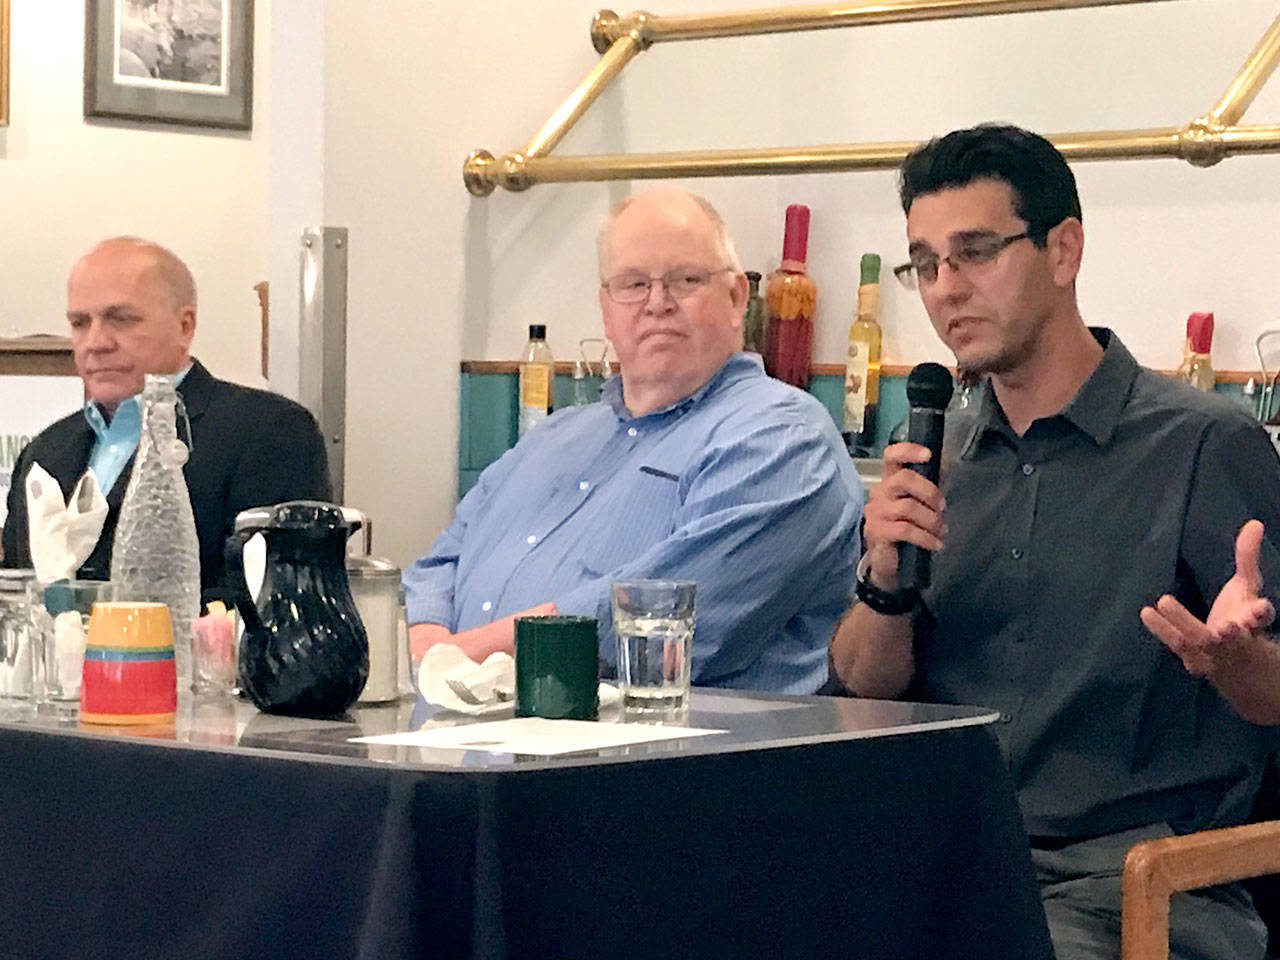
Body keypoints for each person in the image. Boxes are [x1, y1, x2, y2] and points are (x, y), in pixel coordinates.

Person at [828, 123, 1280, 959]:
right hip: (945, 864)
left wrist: (1233, 658)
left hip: (1138, 888)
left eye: (975, 253)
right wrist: (883, 583)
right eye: (925, 264)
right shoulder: (936, 452)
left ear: (1063, 250)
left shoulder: (1201, 446)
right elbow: (862, 695)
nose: (946, 289)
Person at [404, 188, 863, 693]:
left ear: (736, 298)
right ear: (606, 310)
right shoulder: (552, 437)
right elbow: (438, 565)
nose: (657, 303)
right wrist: (425, 642)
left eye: (686, 280)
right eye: (633, 284)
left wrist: (450, 662)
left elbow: (658, 619)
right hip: (459, 726)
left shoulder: (782, 438)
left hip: (655, 741)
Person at [2, 237, 332, 605]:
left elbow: (277, 599)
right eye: (80, 323)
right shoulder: (45, 452)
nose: (95, 342)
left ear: (184, 326)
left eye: (120, 319)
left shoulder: (269, 432)